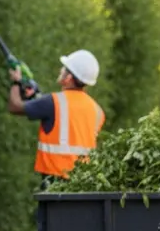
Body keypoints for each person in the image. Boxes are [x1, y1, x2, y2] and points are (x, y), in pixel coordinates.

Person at [7, 49, 104, 187]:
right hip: (84, 185)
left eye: (64, 69)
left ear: (69, 78)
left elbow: (14, 106)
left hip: (55, 184)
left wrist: (16, 82)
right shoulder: (97, 110)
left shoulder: (52, 102)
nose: (61, 70)